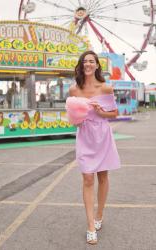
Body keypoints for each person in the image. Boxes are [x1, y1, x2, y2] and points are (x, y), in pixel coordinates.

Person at [68, 50, 120, 245]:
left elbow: (114, 113)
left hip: (102, 135)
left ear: (97, 65)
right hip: (85, 135)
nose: (88, 64)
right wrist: (77, 118)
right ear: (81, 65)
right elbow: (73, 119)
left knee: (103, 176)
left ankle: (99, 214)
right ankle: (91, 226)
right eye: (85, 61)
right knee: (88, 177)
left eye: (91, 61)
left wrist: (100, 111)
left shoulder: (106, 88)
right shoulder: (74, 90)